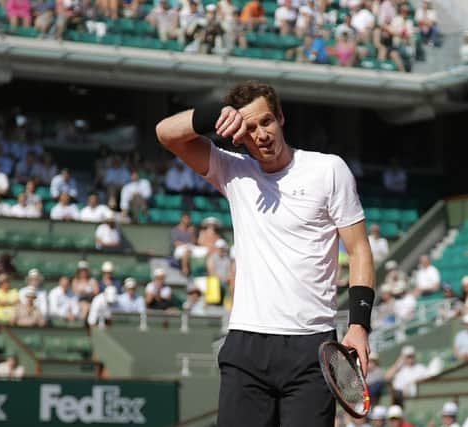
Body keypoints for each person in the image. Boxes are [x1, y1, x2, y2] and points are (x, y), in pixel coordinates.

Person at [155, 81, 374, 427]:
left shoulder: (328, 170)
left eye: (267, 121)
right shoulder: (233, 171)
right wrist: (213, 115)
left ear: (281, 118)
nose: (262, 134)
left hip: (311, 348)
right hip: (246, 346)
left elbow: (359, 248)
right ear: (238, 134)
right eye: (251, 127)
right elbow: (166, 133)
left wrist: (360, 325)